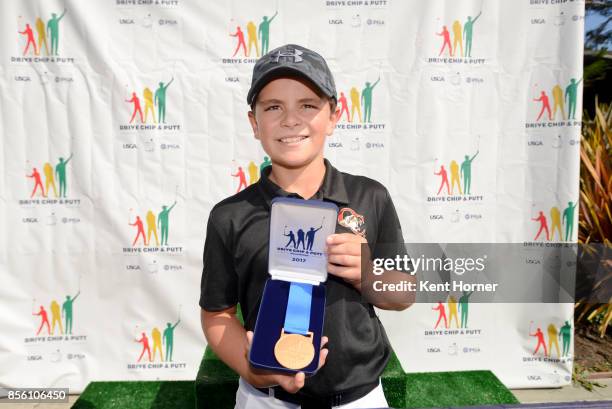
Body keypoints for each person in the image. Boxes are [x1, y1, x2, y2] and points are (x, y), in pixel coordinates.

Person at [200, 44, 413, 409]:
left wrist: (366, 274)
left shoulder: (370, 196)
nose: (291, 120)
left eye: (308, 105)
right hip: (264, 399)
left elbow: (403, 294)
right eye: (273, 107)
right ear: (254, 122)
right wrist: (252, 370)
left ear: (333, 115)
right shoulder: (229, 215)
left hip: (361, 398)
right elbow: (216, 316)